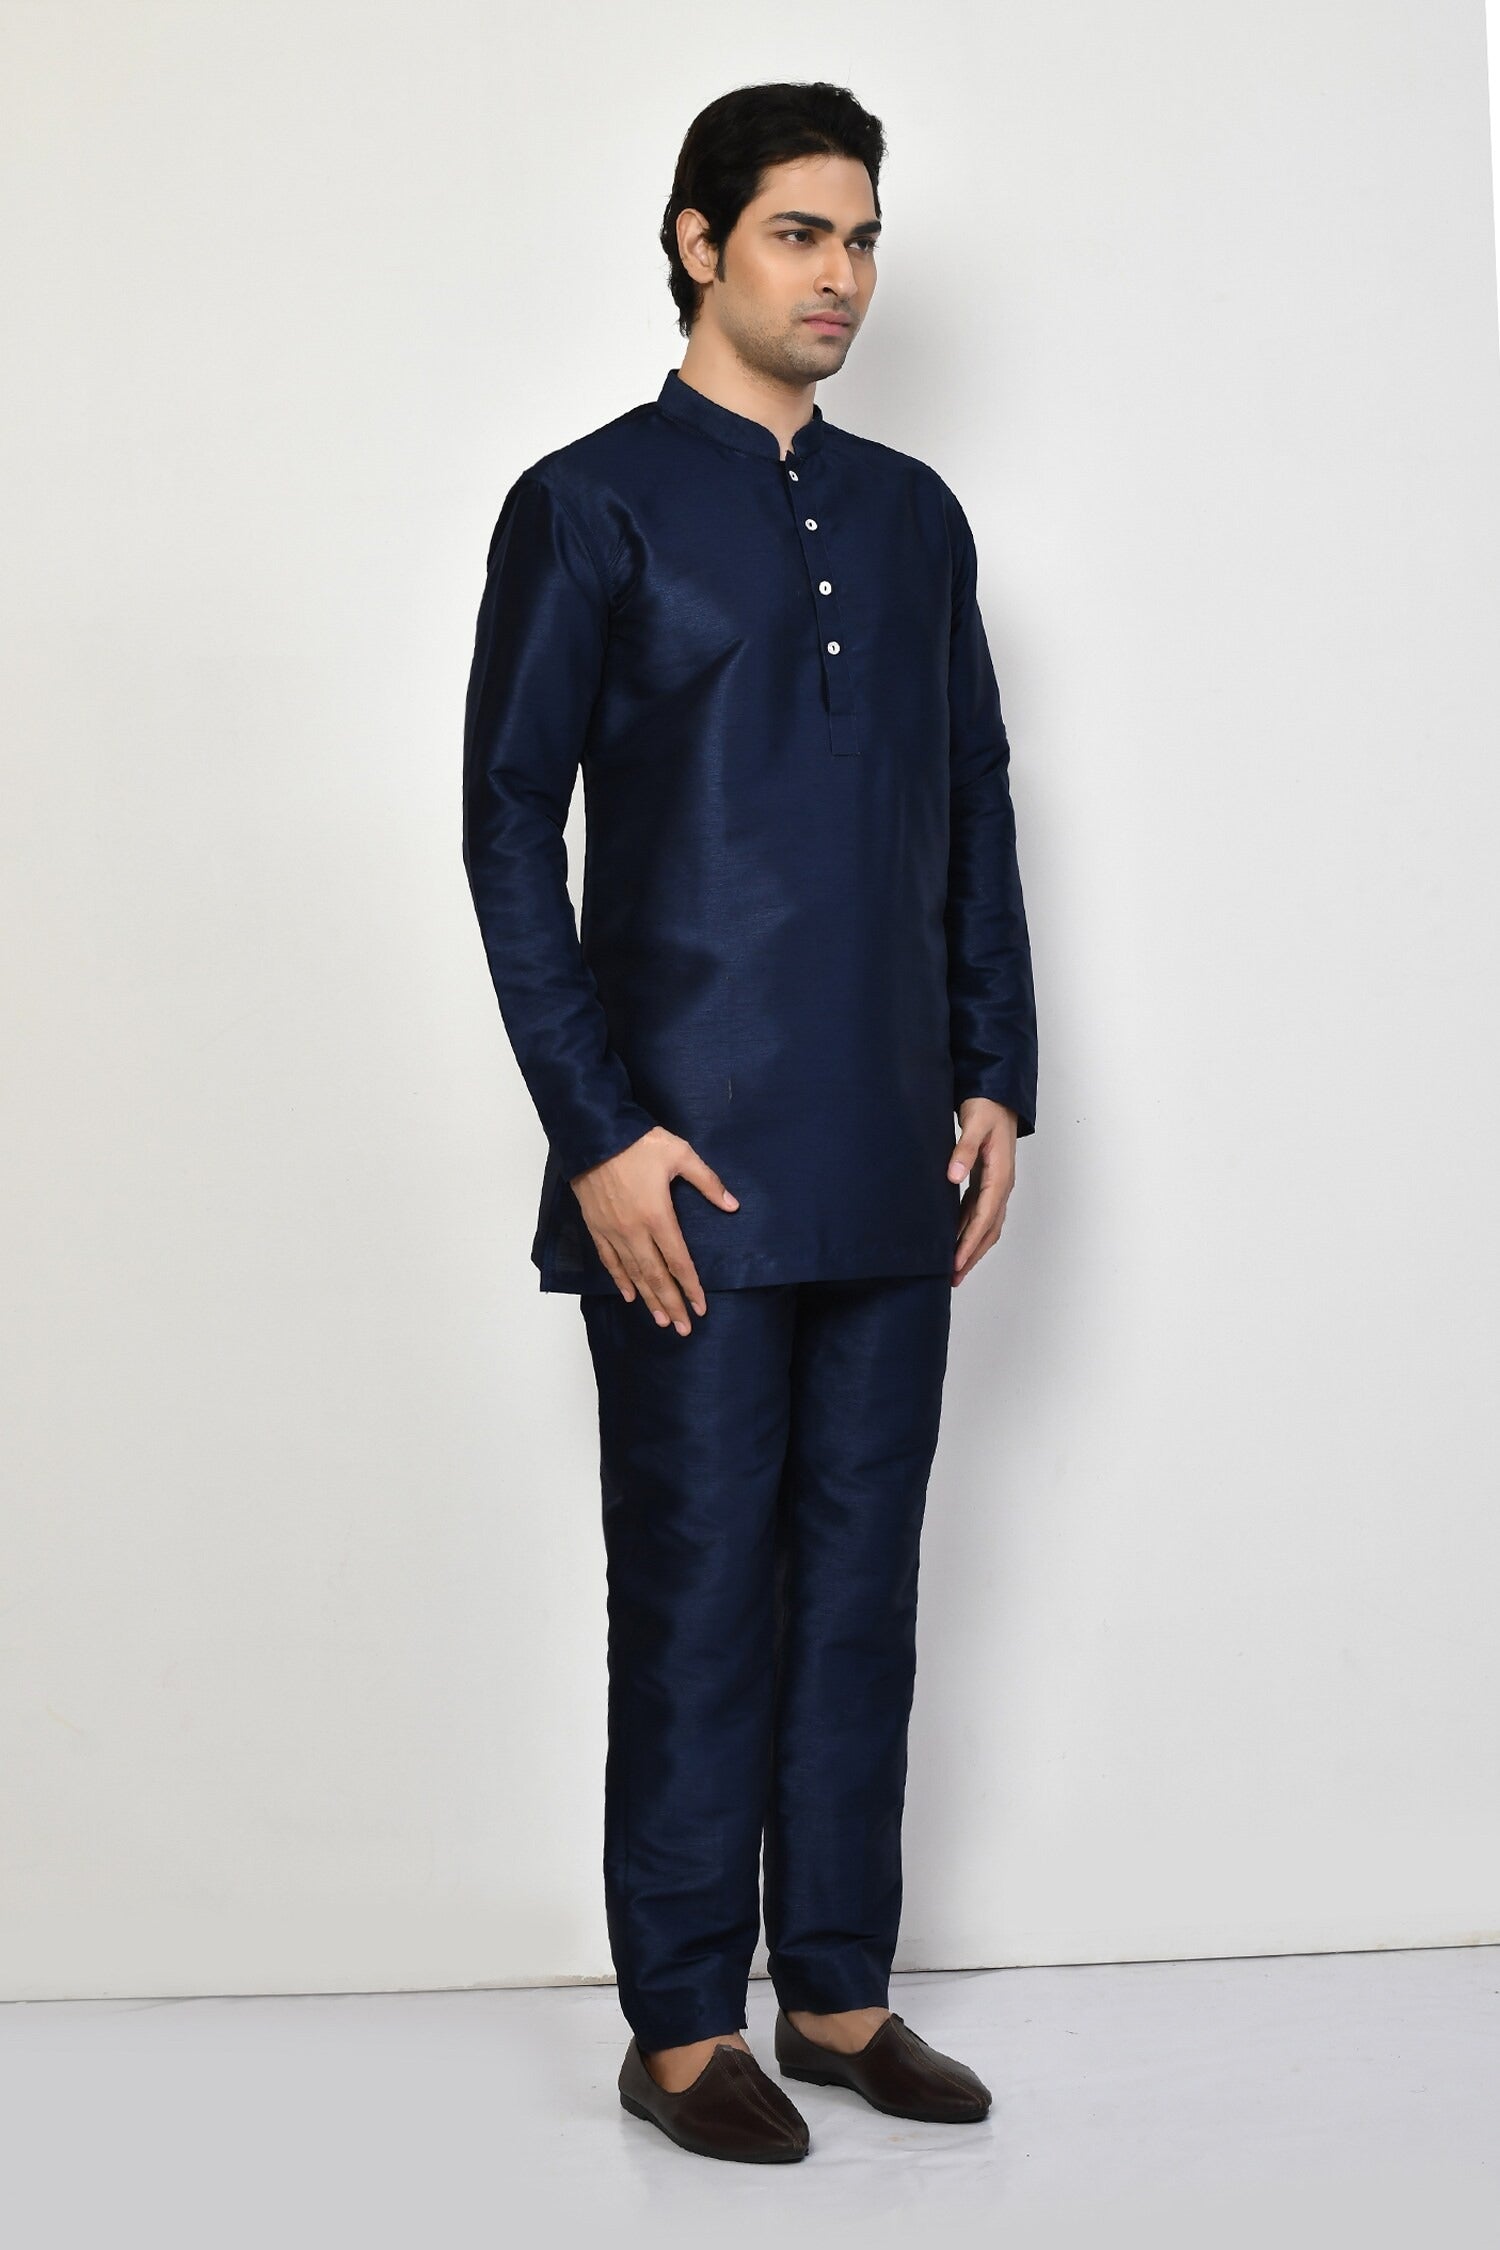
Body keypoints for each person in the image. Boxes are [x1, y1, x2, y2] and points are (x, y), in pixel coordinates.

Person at [462, 79, 1038, 2165]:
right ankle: (684, 2020)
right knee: (702, 1584)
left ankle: (842, 1991)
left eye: (864, 237)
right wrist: (598, 1131)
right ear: (700, 244)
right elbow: (508, 828)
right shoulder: (587, 506)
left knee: (863, 1579)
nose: (844, 276)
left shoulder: (911, 517)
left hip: (894, 1151)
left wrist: (997, 1076)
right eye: (802, 232)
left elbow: (971, 800)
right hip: (682, 1167)